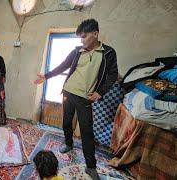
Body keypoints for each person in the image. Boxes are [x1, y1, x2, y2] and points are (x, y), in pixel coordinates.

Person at [34, 19, 118, 180]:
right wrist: (46, 76)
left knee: (87, 131)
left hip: (85, 98)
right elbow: (63, 66)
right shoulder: (77, 51)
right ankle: (68, 143)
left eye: (84, 36)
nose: (81, 40)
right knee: (66, 121)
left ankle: (91, 166)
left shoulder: (108, 53)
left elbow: (113, 75)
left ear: (95, 33)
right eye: (80, 37)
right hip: (68, 92)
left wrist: (100, 92)